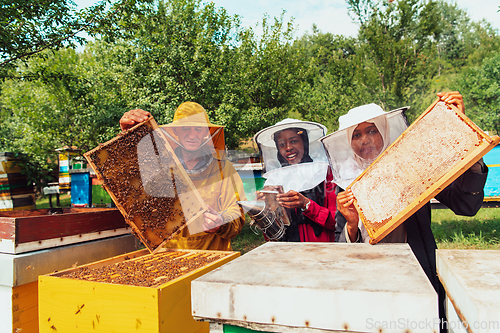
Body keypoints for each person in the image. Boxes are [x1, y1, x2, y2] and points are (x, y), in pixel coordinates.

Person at [332, 91, 487, 332]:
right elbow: (340, 251)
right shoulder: (346, 186)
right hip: (371, 285)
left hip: (419, 277)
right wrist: (352, 225)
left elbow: (465, 205)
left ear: (384, 131)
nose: (365, 139)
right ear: (348, 142)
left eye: (372, 130)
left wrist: (463, 135)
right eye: (357, 134)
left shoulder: (412, 168)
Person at [119, 102, 246, 251]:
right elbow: (129, 183)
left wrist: (221, 222)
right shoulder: (159, 167)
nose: (192, 135)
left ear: (206, 132)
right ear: (175, 132)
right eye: (185, 129)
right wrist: (128, 137)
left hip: (213, 257)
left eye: (198, 129)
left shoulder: (224, 168)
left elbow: (236, 214)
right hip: (169, 257)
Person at [253, 119, 337, 242]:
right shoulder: (274, 181)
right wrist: (263, 212)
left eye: (293, 141)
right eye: (282, 144)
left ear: (305, 143)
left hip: (323, 251)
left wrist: (306, 204)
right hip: (288, 253)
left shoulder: (325, 174)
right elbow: (272, 236)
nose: (288, 148)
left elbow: (338, 222)